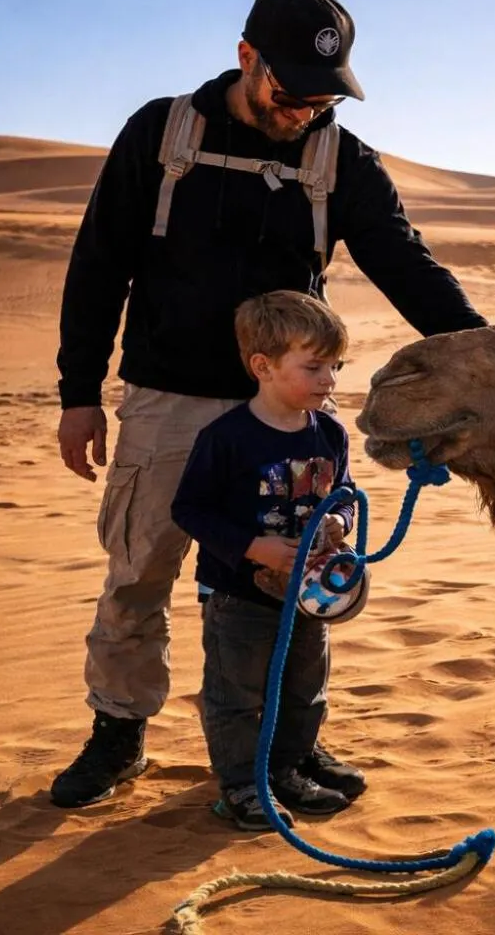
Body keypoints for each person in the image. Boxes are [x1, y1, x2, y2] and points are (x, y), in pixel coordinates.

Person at [51, 0, 487, 809]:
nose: (306, 112)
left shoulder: (341, 160)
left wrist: (488, 358)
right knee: (138, 575)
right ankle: (117, 735)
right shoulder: (162, 131)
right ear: (246, 57)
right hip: (167, 404)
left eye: (327, 96)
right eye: (291, 93)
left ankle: (291, 747)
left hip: (288, 414)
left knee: (297, 585)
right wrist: (79, 391)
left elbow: (408, 269)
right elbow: (99, 264)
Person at [173, 291, 355, 829]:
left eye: (335, 367)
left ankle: (288, 770)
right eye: (314, 366)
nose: (329, 381)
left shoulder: (331, 433)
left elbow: (343, 490)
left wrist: (340, 522)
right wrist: (255, 547)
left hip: (309, 593)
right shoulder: (227, 439)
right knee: (236, 694)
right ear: (263, 366)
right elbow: (190, 509)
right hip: (238, 593)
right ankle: (240, 786)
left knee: (305, 686)